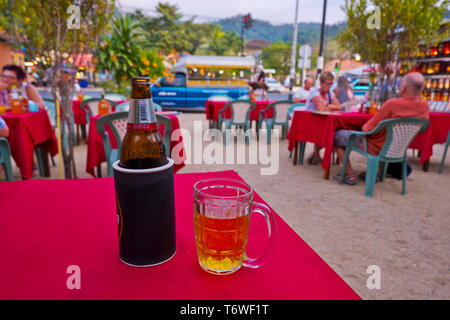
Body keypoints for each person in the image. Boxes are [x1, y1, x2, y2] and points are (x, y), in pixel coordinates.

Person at [333, 72, 429, 185]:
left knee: (338, 135)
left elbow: (367, 129)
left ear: (403, 88)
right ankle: (376, 171)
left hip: (376, 146)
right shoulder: (425, 106)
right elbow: (423, 128)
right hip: (398, 148)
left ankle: (348, 173)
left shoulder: (392, 104)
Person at [305, 71, 342, 164]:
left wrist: (326, 105)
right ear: (321, 83)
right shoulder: (314, 91)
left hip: (323, 121)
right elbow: (321, 108)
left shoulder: (330, 93)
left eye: (331, 84)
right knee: (329, 132)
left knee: (337, 131)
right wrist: (329, 106)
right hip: (310, 122)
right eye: (327, 83)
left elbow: (338, 106)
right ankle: (316, 154)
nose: (329, 86)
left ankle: (315, 153)